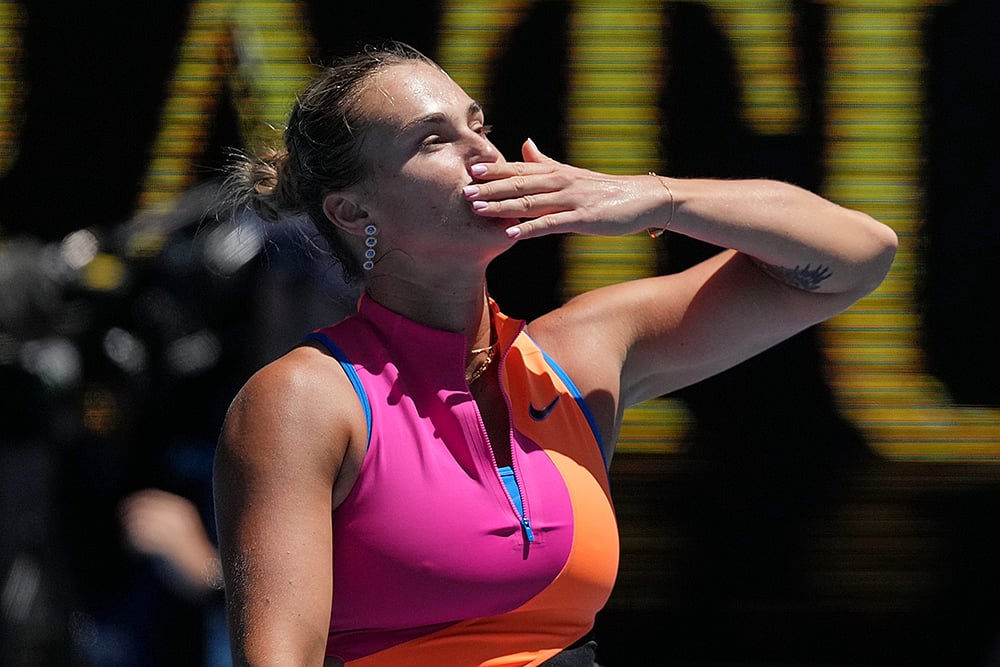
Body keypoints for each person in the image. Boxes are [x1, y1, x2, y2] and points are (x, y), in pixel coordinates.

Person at [211, 40, 897, 667]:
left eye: (478, 125)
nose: (483, 153)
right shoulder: (302, 398)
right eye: (433, 140)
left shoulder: (579, 351)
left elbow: (860, 255)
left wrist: (653, 197)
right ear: (353, 212)